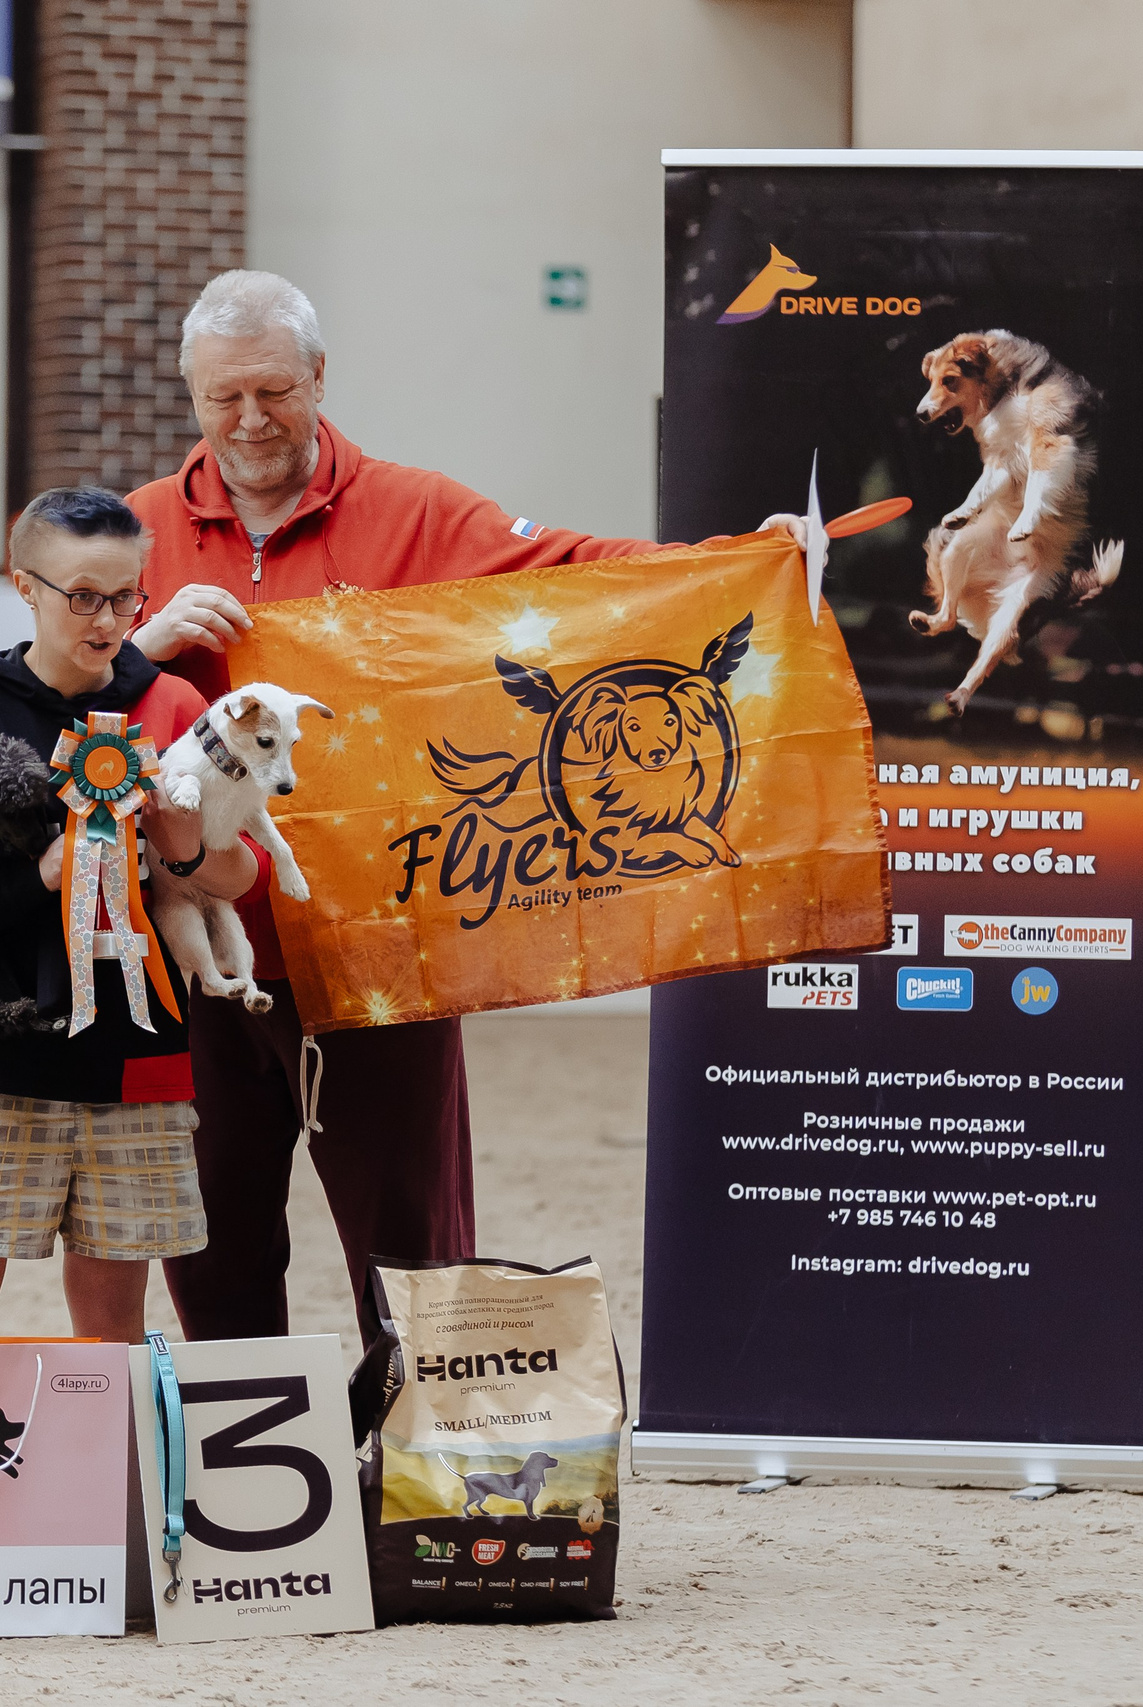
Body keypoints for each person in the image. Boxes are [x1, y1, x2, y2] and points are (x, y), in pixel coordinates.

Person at [128, 269, 799, 1343]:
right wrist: (137, 651)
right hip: (198, 950)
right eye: (222, 398)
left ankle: (417, 1479)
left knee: (412, 1244)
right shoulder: (136, 533)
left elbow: (572, 574)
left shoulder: (419, 511)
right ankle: (243, 1485)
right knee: (204, 1233)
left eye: (272, 392)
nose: (249, 420)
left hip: (384, 941)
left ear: (317, 377)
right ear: (189, 393)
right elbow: (50, 697)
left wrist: (730, 563)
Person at [0, 486, 260, 1341]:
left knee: (112, 1321)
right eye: (81, 595)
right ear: (24, 585)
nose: (106, 619)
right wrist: (36, 873)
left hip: (140, 1061)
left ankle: (104, 1481)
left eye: (124, 595)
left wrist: (182, 842)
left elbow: (242, 875)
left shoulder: (173, 711)